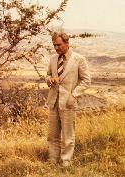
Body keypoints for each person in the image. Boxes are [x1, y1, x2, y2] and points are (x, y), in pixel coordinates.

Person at [45, 32, 91, 167]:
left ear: (67, 43)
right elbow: (48, 75)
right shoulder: (53, 59)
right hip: (53, 102)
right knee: (52, 135)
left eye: (58, 44)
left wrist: (74, 95)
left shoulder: (79, 59)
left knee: (67, 136)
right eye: (54, 45)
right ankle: (53, 161)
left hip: (68, 103)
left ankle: (66, 163)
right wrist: (49, 80)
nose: (56, 47)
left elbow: (86, 80)